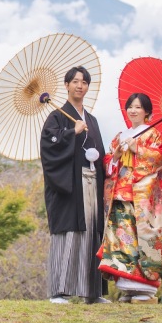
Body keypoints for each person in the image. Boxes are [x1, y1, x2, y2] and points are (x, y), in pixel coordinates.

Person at [39, 66, 109, 304]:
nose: (80, 86)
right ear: (67, 85)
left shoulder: (93, 120)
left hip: (92, 182)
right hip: (69, 185)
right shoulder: (57, 116)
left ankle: (92, 293)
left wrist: (114, 157)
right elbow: (49, 149)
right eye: (75, 81)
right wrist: (71, 132)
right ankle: (58, 291)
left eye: (84, 82)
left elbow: (99, 153)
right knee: (68, 233)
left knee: (91, 232)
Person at [97, 92, 162, 304]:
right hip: (119, 193)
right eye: (130, 106)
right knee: (121, 238)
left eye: (138, 107)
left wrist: (136, 147)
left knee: (141, 238)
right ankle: (127, 287)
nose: (133, 110)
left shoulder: (152, 135)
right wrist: (117, 157)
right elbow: (109, 165)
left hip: (140, 197)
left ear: (147, 111)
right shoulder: (120, 135)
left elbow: (159, 158)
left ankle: (144, 288)